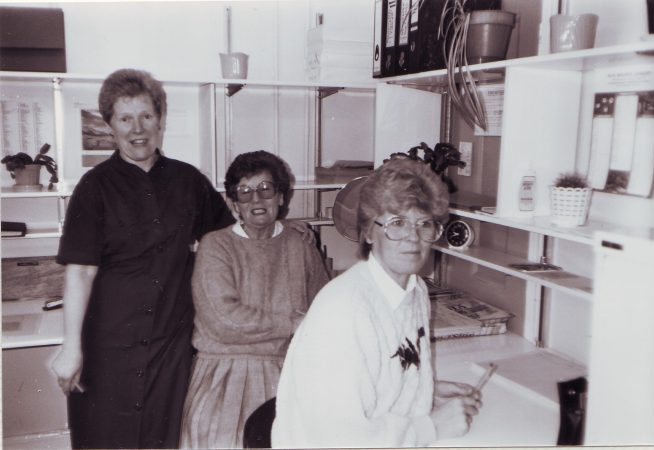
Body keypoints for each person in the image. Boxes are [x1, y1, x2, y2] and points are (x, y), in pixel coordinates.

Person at [50, 69, 311, 449]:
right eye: (125, 118)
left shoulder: (188, 181)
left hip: (170, 349)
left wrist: (287, 225)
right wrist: (71, 347)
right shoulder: (94, 188)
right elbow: (80, 273)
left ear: (161, 119)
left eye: (147, 116)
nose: (138, 128)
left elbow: (234, 231)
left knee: (164, 439)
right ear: (110, 124)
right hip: (109, 346)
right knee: (104, 438)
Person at [271, 158, 482, 448]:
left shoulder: (415, 289)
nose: (413, 236)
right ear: (369, 232)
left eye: (424, 224)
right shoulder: (344, 312)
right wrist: (431, 426)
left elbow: (386, 372)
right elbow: (337, 439)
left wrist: (422, 393)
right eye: (397, 222)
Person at [180, 150, 330, 448]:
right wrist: (293, 323)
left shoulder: (299, 244)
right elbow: (224, 320)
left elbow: (324, 310)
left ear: (282, 197)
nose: (256, 200)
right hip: (224, 374)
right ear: (232, 203)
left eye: (266, 189)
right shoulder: (216, 246)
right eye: (244, 193)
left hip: (288, 370)